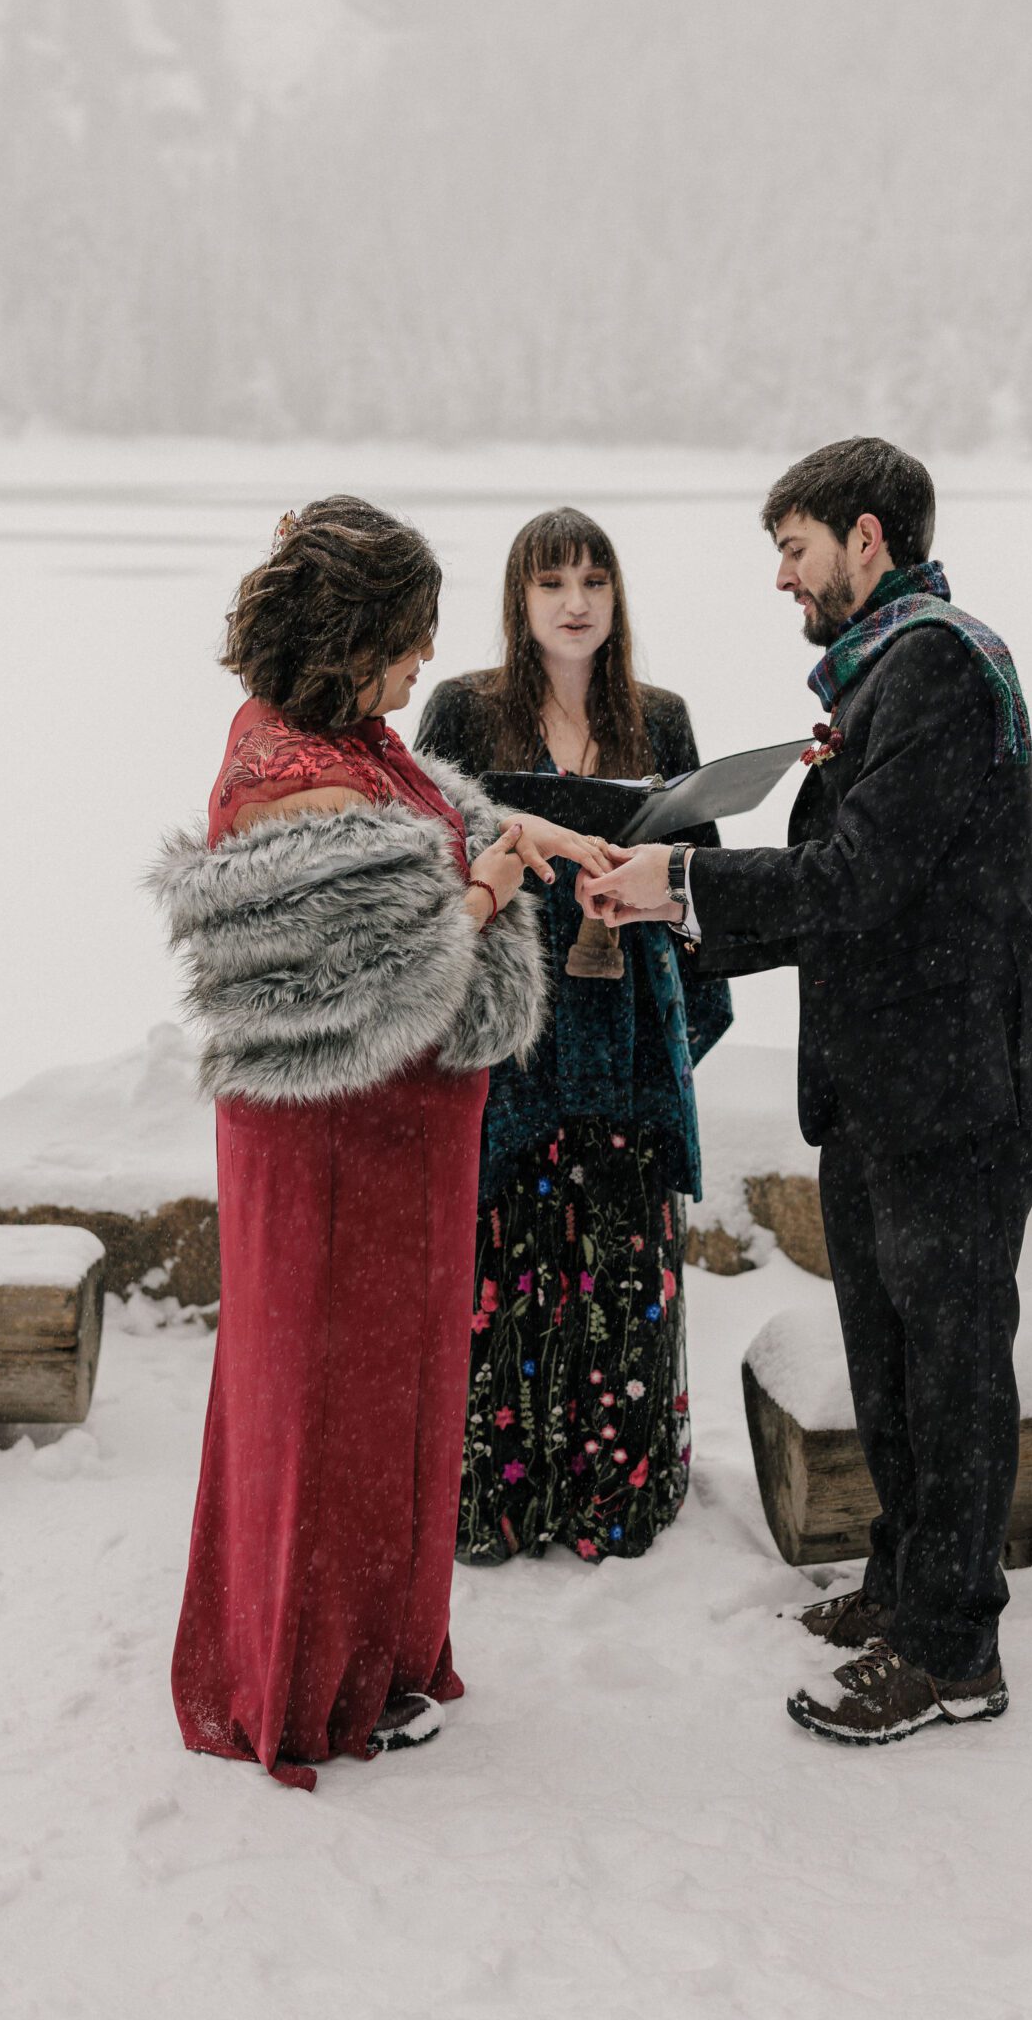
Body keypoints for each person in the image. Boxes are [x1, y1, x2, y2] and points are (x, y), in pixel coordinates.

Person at [578, 439, 1032, 1743]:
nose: (782, 580)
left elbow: (855, 881)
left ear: (865, 535)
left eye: (791, 550)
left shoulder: (942, 665)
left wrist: (671, 887)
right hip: (883, 1083)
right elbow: (856, 866)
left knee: (951, 1372)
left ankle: (953, 1651)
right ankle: (906, 1585)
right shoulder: (882, 675)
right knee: (892, 1361)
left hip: (956, 1088)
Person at [149, 497, 609, 1789]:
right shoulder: (294, 785)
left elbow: (426, 835)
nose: (422, 664)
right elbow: (390, 972)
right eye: (409, 639)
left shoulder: (339, 739)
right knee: (326, 1417)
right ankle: (307, 1686)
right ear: (352, 638)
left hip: (397, 1149)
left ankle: (380, 1654)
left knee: (393, 1409)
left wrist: (519, 839)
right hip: (333, 1160)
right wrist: (487, 888)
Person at [416, 507, 732, 1564]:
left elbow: (704, 887)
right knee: (503, 1255)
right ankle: (502, 1497)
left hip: (624, 1028)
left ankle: (614, 1491)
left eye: (594, 578)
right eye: (553, 581)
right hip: (518, 1027)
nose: (576, 600)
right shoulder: (463, 711)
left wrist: (650, 899)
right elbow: (424, 852)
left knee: (620, 1260)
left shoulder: (662, 717)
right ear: (518, 597)